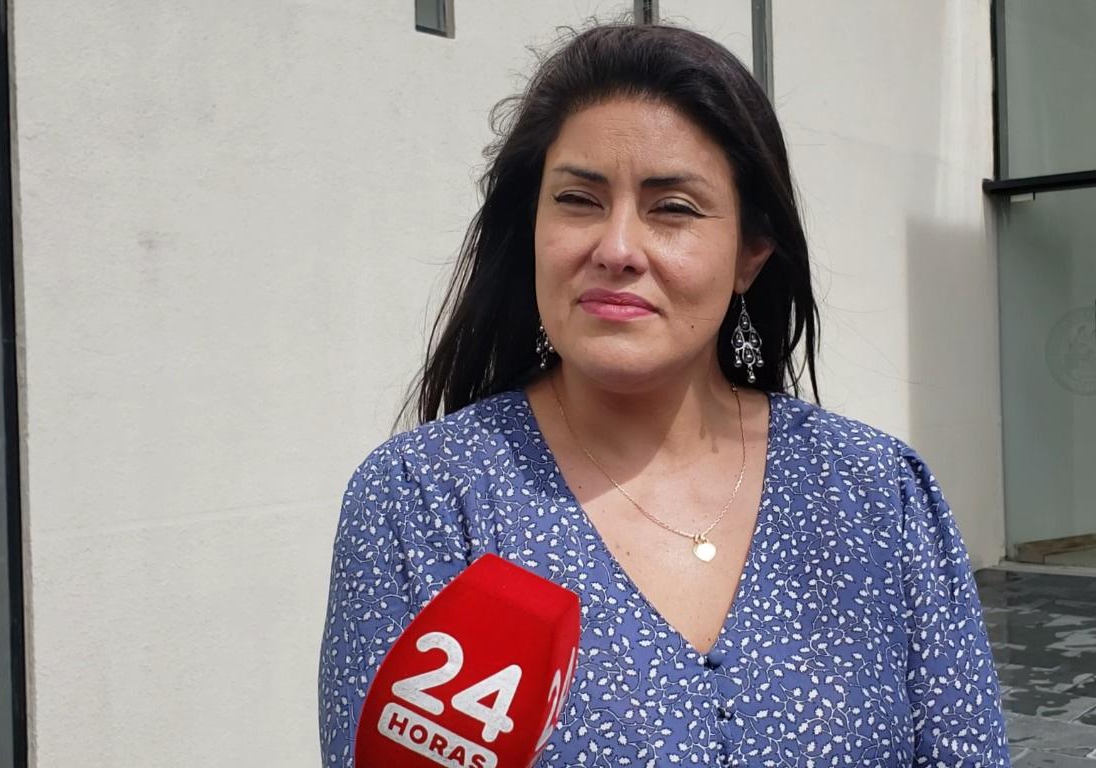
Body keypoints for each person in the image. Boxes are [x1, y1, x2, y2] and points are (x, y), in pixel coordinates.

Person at [318, 22, 1009, 767]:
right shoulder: (423, 501)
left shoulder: (875, 493)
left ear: (750, 253)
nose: (616, 249)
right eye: (578, 199)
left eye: (672, 208)